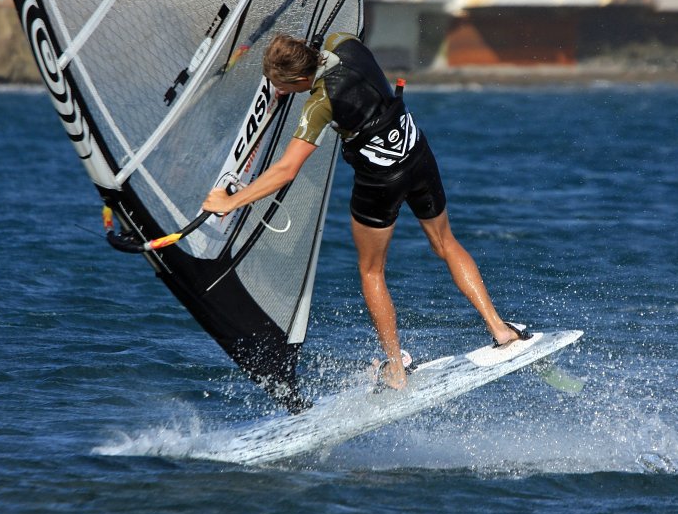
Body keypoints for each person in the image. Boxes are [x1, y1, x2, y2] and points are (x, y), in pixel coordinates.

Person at [203, 32, 528, 390]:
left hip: (381, 179)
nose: (277, 88)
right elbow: (326, 48)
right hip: (417, 153)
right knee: (445, 241)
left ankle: (396, 370)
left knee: (371, 270)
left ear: (299, 79)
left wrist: (230, 201)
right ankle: (500, 328)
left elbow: (286, 170)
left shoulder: (318, 105)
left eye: (281, 83)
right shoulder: (345, 44)